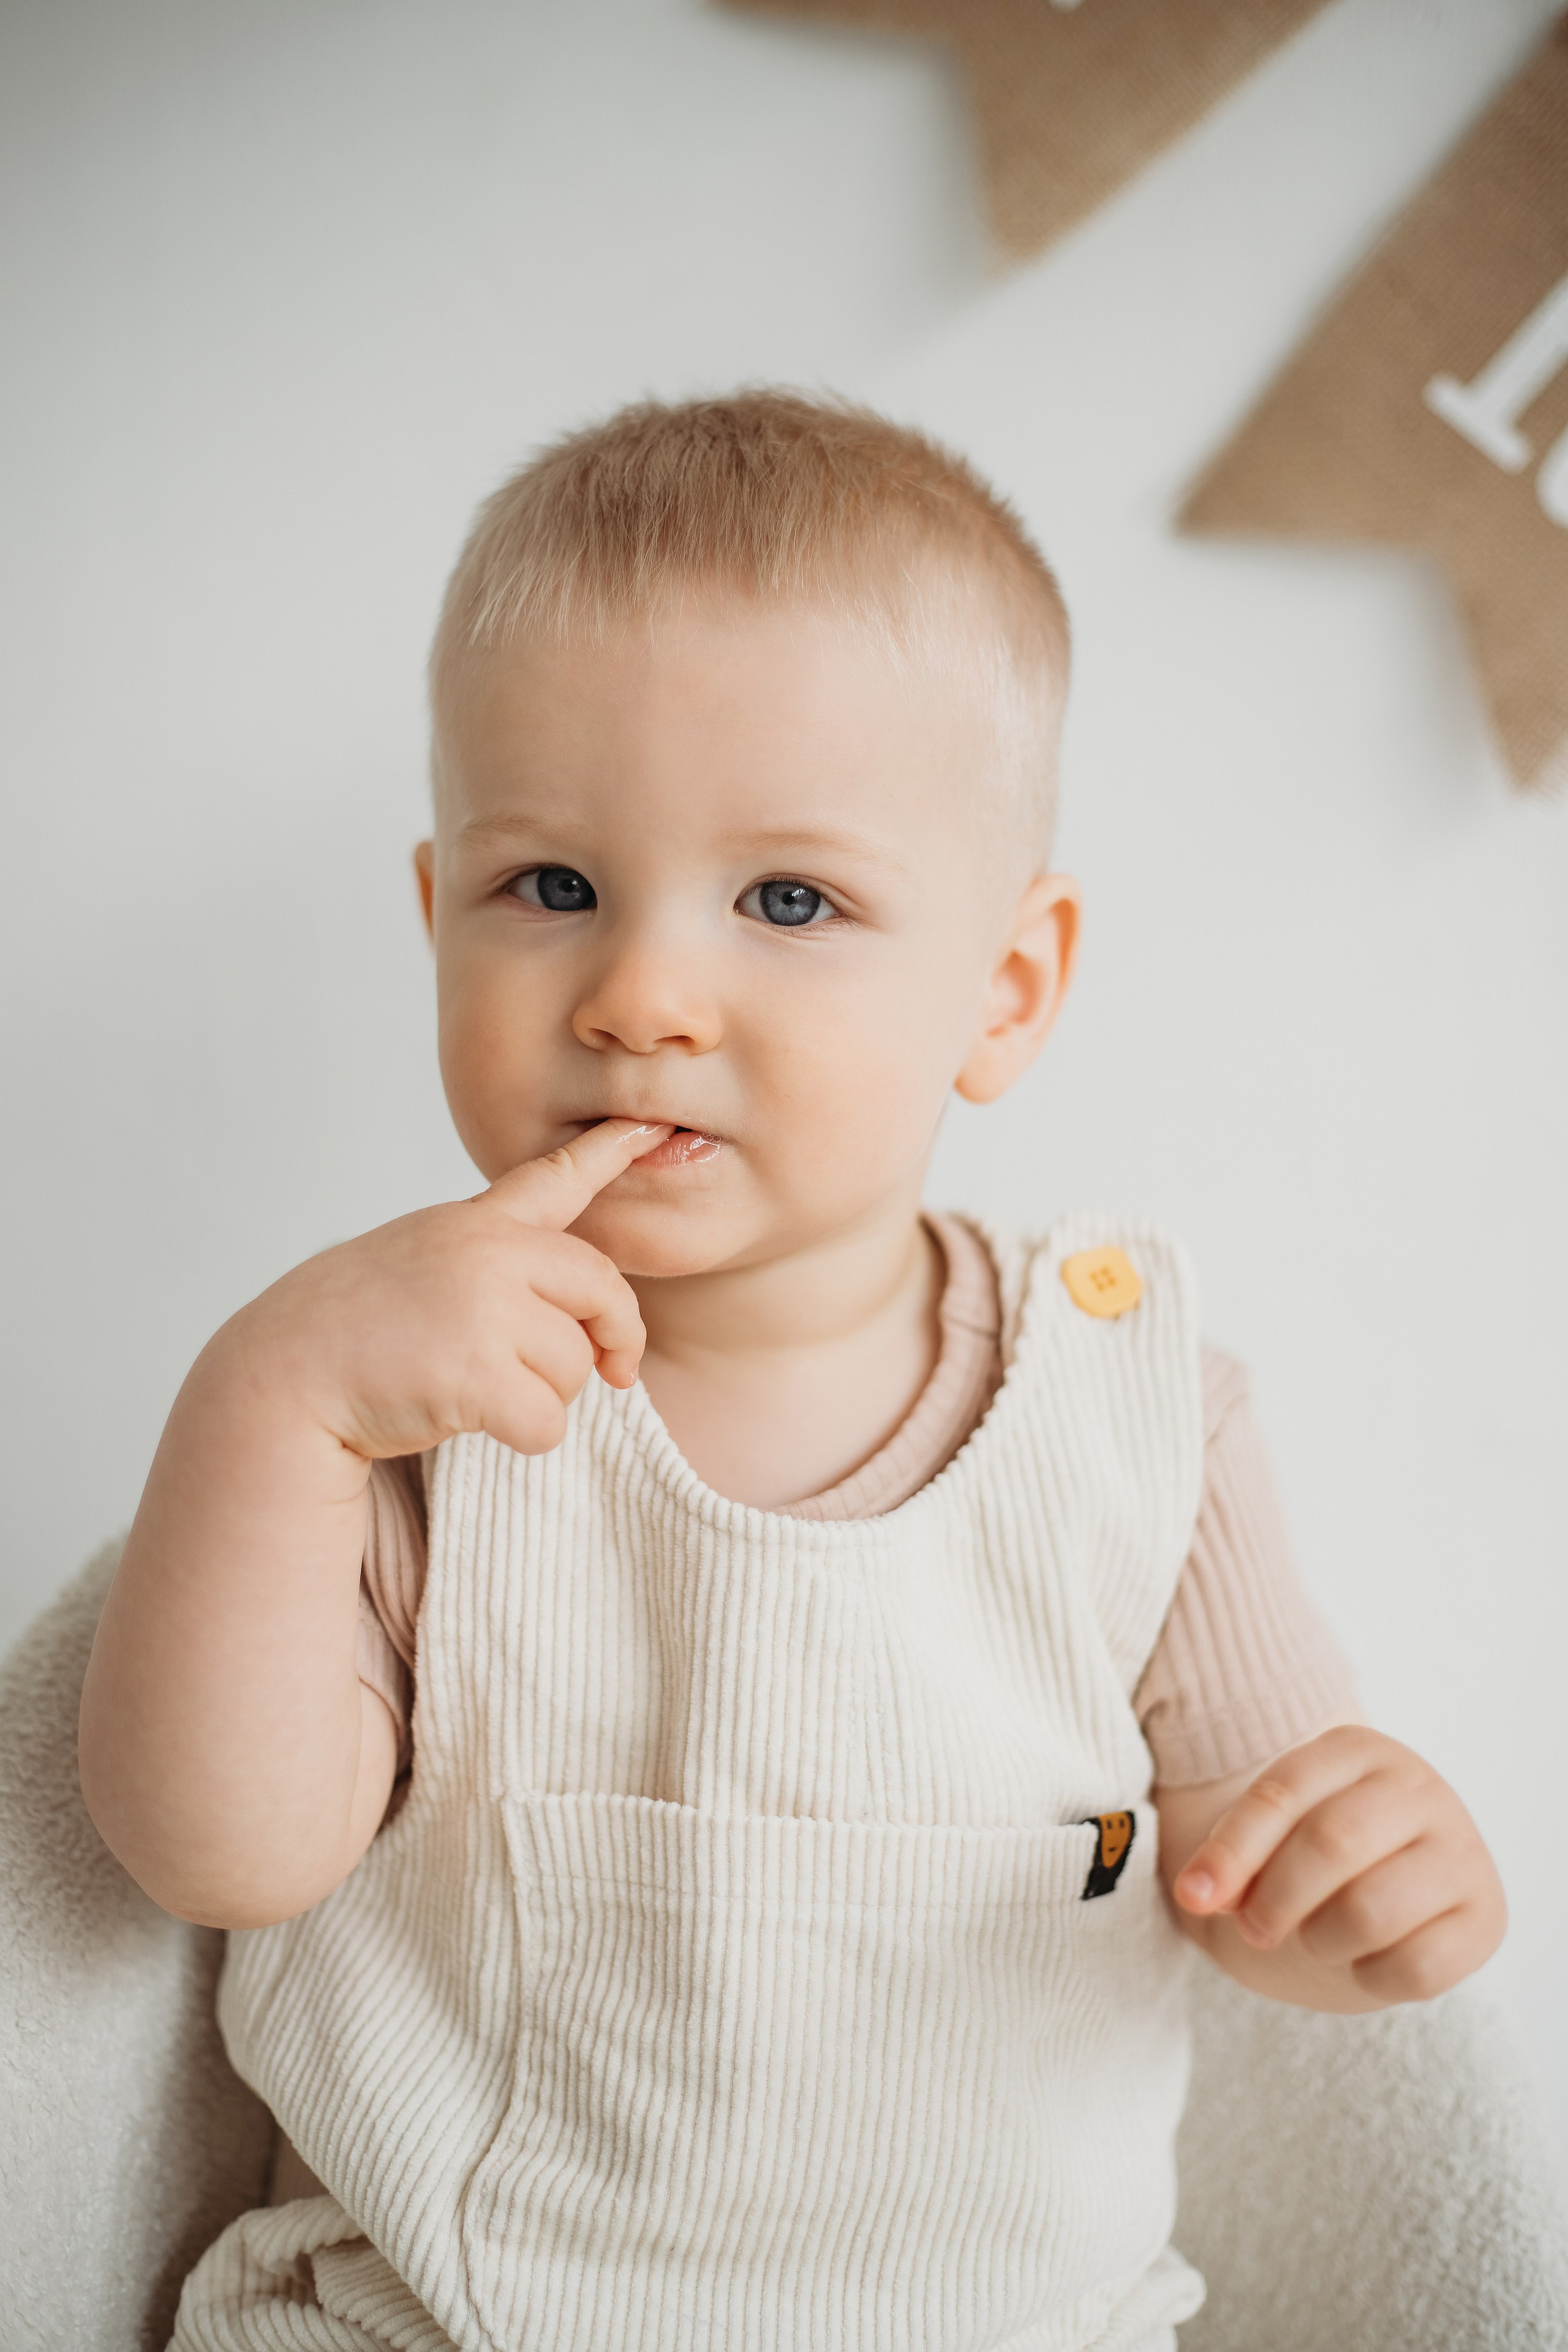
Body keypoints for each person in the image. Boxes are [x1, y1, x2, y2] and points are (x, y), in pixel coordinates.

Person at [77, 391, 1506, 2352]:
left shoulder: (1140, 1414)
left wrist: (1382, 1902)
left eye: (789, 903)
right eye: (552, 888)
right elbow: (205, 1851)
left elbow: (1267, 1889)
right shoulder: (411, 1400)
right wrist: (266, 1407)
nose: (642, 997)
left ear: (1002, 994)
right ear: (438, 923)